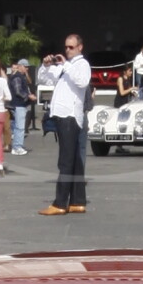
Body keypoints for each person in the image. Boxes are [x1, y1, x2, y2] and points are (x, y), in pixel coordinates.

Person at [41, 32, 94, 215]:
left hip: (70, 116)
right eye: (66, 47)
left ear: (80, 47)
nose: (67, 50)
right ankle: (77, 200)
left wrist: (66, 65)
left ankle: (60, 203)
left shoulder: (81, 64)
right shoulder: (66, 66)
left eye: (71, 47)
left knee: (66, 160)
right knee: (75, 160)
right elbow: (44, 79)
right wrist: (46, 65)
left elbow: (82, 82)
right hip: (63, 115)